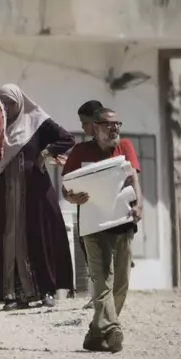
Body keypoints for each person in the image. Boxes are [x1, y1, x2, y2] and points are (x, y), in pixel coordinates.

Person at [0, 83, 75, 310]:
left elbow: (67, 139)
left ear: (19, 102)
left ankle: (46, 291)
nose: (8, 108)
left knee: (39, 239)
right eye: (4, 103)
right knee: (8, 241)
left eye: (11, 103)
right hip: (7, 195)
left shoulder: (37, 122)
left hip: (35, 195)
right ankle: (12, 295)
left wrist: (45, 152)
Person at [61, 107, 143, 353]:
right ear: (95, 127)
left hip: (123, 221)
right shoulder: (80, 151)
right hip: (93, 225)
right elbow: (67, 187)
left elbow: (134, 179)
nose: (114, 128)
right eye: (108, 124)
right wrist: (72, 198)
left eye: (117, 123)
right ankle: (112, 328)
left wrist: (139, 203)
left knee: (121, 281)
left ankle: (96, 334)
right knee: (101, 279)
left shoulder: (125, 146)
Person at [75, 100, 104, 310]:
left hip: (105, 205)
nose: (83, 128)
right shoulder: (85, 148)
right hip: (87, 204)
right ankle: (97, 296)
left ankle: (103, 297)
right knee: (87, 246)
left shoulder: (111, 144)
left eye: (85, 123)